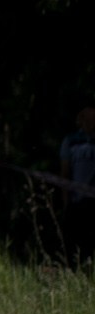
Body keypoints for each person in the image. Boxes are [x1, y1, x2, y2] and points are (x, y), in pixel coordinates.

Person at [63, 106, 95, 259]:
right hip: (77, 200)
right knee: (76, 241)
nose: (90, 122)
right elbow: (65, 172)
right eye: (87, 119)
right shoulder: (71, 141)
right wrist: (66, 199)